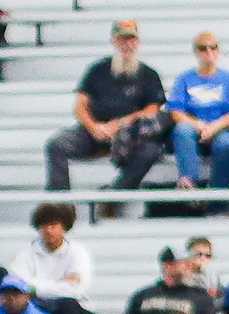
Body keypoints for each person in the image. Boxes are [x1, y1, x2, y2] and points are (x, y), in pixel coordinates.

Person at [46, 21, 168, 192]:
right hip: (96, 132)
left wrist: (119, 125)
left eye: (131, 39)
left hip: (130, 135)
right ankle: (59, 206)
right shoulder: (97, 70)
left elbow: (152, 110)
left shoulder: (149, 75)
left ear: (138, 42)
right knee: (56, 144)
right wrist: (94, 127)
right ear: (114, 41)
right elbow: (80, 106)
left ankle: (113, 196)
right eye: (123, 39)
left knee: (151, 150)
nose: (127, 44)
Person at [159, 30, 229, 192]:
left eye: (213, 48)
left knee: (225, 142)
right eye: (203, 48)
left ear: (218, 51)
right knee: (182, 130)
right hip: (193, 129)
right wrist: (198, 125)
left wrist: (213, 128)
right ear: (196, 52)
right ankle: (190, 181)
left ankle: (218, 195)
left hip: (222, 129)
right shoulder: (184, 79)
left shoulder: (228, 79)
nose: (208, 52)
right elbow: (176, 111)